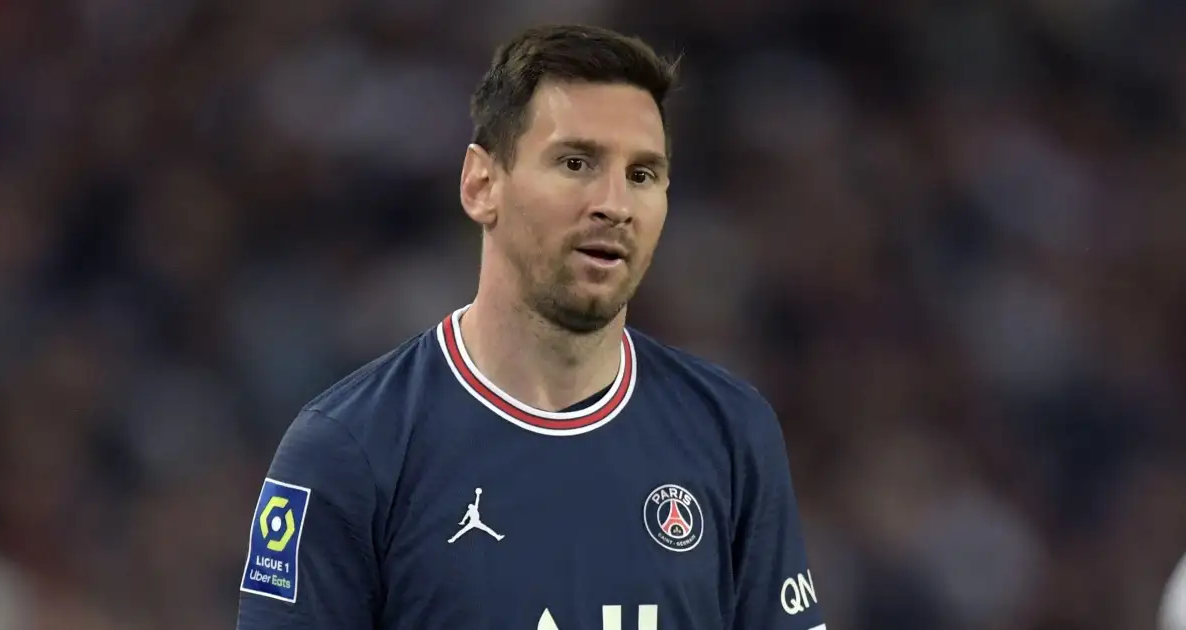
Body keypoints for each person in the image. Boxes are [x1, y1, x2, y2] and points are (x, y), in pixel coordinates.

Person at [236, 23, 826, 630]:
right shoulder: (349, 451)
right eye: (576, 162)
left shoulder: (728, 431)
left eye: (642, 174)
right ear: (481, 184)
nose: (614, 203)